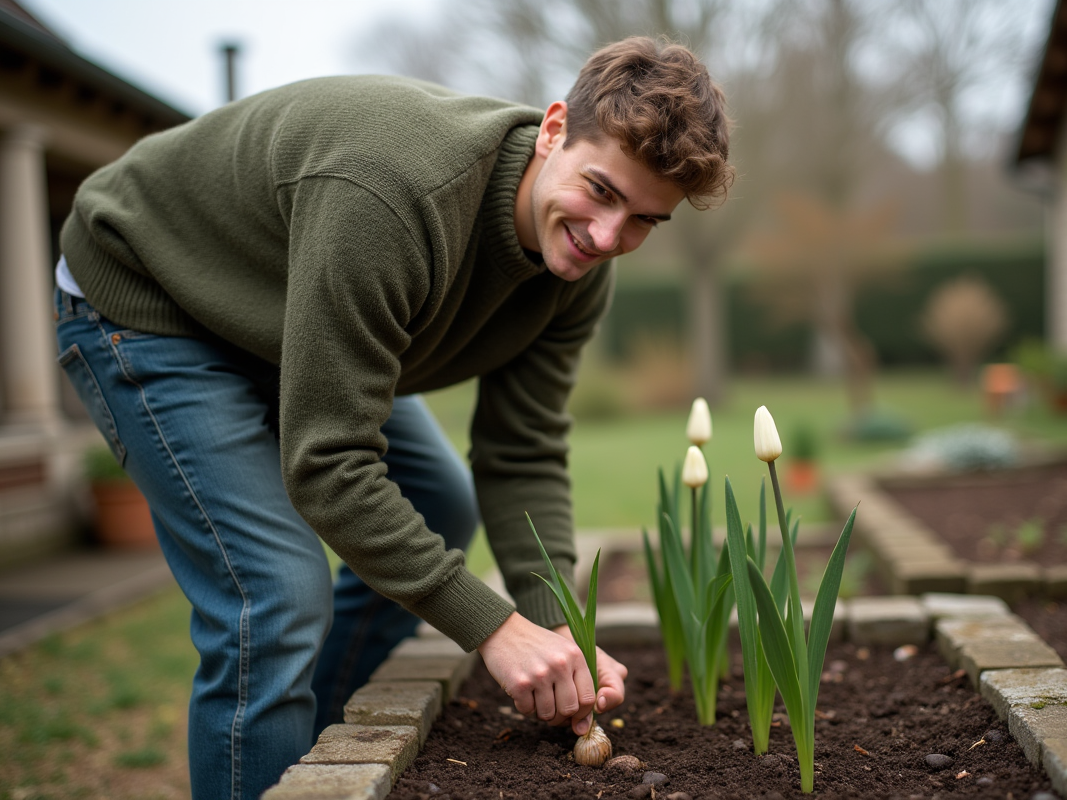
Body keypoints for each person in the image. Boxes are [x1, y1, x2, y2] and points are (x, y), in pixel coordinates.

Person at [54, 35, 732, 799]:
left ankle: (308, 748)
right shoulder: (393, 197)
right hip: (153, 297)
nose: (609, 238)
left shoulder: (576, 269)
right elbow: (330, 464)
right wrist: (496, 630)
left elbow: (523, 450)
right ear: (551, 131)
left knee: (439, 502)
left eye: (644, 219)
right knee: (275, 593)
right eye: (602, 191)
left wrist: (558, 634)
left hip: (282, 314)